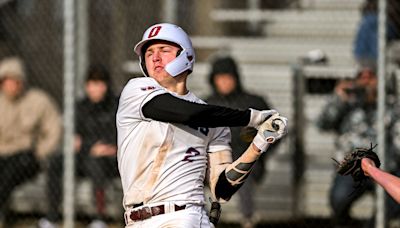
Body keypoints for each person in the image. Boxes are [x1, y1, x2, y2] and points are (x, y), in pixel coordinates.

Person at [116, 23, 288, 228]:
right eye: (149, 52)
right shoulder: (136, 90)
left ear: (185, 56)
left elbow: (222, 190)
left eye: (164, 50)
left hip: (185, 217)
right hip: (136, 219)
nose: (155, 57)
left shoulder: (212, 119)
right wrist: (250, 117)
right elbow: (188, 114)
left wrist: (258, 145)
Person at [317, 67, 400, 227]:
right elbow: (323, 124)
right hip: (353, 169)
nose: (366, 82)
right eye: (362, 78)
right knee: (338, 200)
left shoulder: (391, 105)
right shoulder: (348, 103)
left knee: (392, 204)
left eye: (371, 78)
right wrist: (338, 98)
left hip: (385, 167)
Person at [39, 64, 120, 228]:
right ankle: (52, 217)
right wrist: (91, 147)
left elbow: (119, 136)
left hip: (110, 161)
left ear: (106, 85)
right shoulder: (81, 107)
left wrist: (109, 147)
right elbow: (76, 140)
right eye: (91, 84)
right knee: (56, 162)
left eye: (99, 84)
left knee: (96, 163)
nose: (95, 89)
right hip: (85, 156)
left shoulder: (116, 106)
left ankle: (100, 218)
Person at [206, 55, 274, 228]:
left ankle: (248, 219)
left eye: (228, 77)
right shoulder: (205, 105)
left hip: (249, 162)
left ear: (236, 78)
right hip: (211, 162)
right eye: (220, 78)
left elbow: (276, 129)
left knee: (242, 173)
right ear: (213, 80)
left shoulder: (253, 103)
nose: (224, 82)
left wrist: (260, 152)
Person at [0, 57, 62, 226]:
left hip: (27, 156)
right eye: (8, 80)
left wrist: (41, 152)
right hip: (2, 154)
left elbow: (54, 128)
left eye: (16, 80)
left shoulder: (37, 100)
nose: (12, 84)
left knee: (10, 172)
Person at [353, 0, 399, 68]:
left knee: (370, 23)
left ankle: (368, 67)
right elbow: (364, 9)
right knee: (370, 30)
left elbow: (394, 14)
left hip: (392, 25)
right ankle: (371, 68)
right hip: (374, 24)